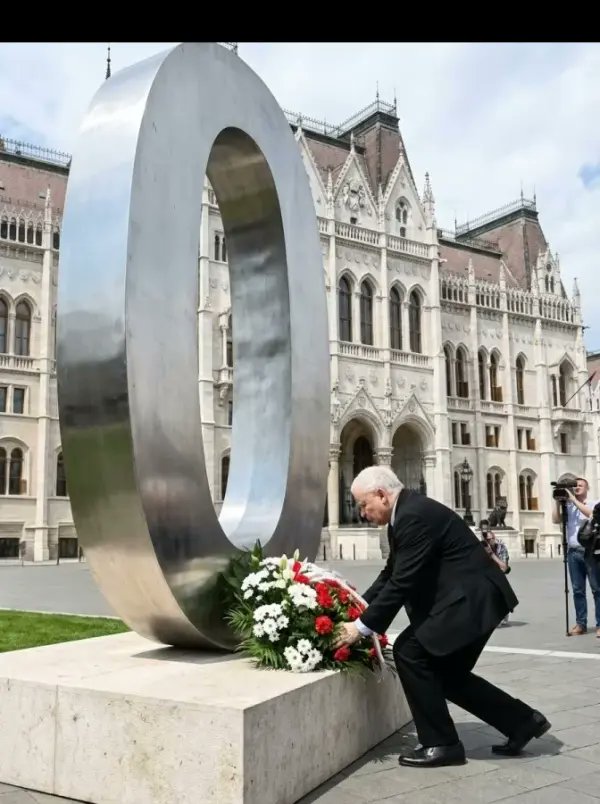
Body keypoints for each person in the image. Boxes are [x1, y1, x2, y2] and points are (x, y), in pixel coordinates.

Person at [333, 466, 550, 768]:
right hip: (470, 598)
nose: (362, 513)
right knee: (445, 675)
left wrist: (362, 627)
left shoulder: (412, 515)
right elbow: (391, 573)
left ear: (381, 495)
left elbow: (402, 582)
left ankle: (441, 744)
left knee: (410, 651)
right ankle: (522, 722)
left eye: (362, 504)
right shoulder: (404, 513)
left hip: (471, 600)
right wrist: (356, 604)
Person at [551, 477, 600, 637]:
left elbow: (591, 514)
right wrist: (558, 502)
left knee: (596, 589)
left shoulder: (594, 503)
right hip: (573, 552)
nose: (577, 488)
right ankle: (581, 624)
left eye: (580, 485)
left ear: (587, 488)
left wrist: (572, 499)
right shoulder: (569, 506)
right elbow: (555, 519)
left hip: (590, 552)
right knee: (578, 590)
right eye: (575, 486)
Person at [479, 520, 510, 626]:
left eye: (491, 539)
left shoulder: (501, 547)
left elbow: (504, 568)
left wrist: (492, 554)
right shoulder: (481, 547)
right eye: (486, 539)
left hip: (499, 576)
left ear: (494, 536)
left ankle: (502, 613)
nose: (489, 541)